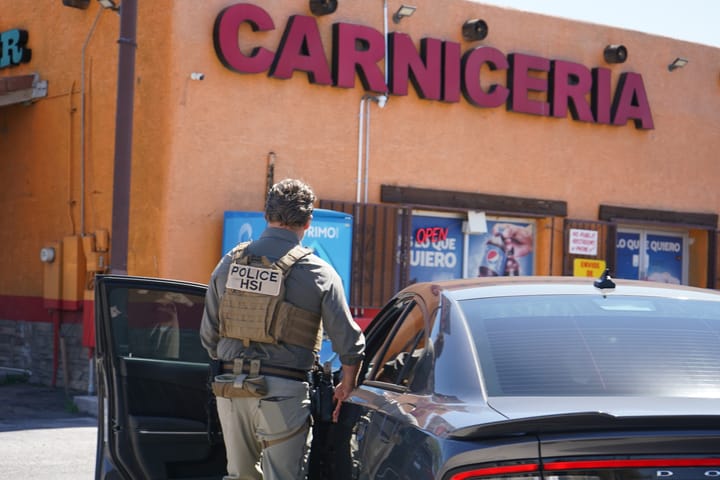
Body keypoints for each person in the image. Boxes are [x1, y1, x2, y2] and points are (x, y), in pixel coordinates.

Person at [200, 178, 365, 480]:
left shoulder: (228, 264)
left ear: (266, 215)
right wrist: (348, 383)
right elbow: (348, 342)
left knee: (239, 476)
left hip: (229, 388)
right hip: (284, 393)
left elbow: (209, 335)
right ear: (309, 222)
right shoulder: (320, 273)